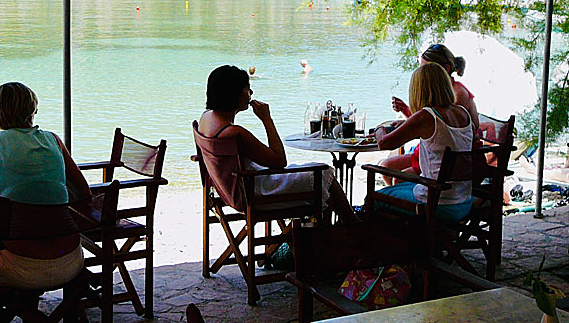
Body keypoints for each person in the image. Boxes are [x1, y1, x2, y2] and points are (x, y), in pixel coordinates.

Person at [0, 81, 92, 290]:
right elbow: (83, 193)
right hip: (69, 261)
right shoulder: (54, 141)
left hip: (18, 267)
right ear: (33, 109)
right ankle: (32, 313)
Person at [197, 65, 356, 222]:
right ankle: (351, 228)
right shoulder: (234, 133)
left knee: (325, 189)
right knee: (323, 172)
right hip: (255, 193)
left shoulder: (207, 118)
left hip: (231, 192)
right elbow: (279, 161)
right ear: (235, 94)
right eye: (247, 89)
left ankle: (336, 236)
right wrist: (267, 119)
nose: (251, 93)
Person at [374, 63, 474, 221]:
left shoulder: (427, 116)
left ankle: (396, 243)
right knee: (400, 186)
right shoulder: (462, 112)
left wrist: (379, 128)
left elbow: (384, 143)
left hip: (437, 203)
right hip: (463, 200)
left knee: (373, 199)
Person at [381, 43, 479, 184]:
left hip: (451, 160)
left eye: (427, 69)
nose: (421, 74)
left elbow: (442, 130)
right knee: (386, 166)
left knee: (397, 178)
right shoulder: (442, 93)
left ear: (444, 69)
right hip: (439, 154)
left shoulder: (457, 94)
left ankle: (403, 202)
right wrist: (406, 114)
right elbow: (433, 125)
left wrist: (383, 129)